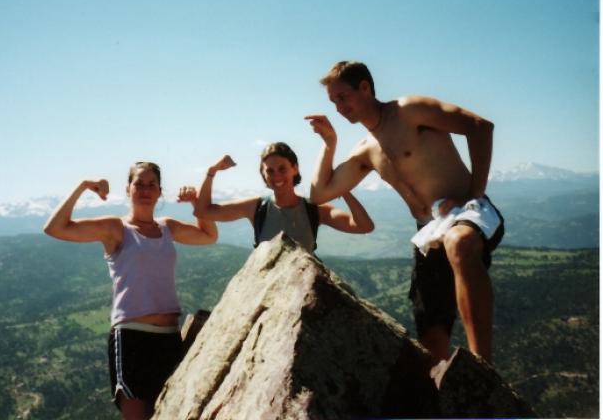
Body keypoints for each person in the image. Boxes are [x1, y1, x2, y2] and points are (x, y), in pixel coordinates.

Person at [306, 61, 504, 365]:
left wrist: (473, 195)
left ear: (365, 87)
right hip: (428, 230)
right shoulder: (365, 150)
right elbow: (319, 194)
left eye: (342, 97)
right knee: (430, 335)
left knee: (459, 244)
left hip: (469, 211)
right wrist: (329, 143)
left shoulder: (410, 110)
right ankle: (445, 397)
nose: (339, 107)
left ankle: (484, 368)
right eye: (333, 102)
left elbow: (480, 127)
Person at [43, 162, 217, 420]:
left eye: (151, 185)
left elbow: (208, 235)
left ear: (159, 191)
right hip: (132, 339)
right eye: (139, 184)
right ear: (128, 189)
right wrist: (82, 186)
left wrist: (196, 204)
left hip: (169, 338)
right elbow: (55, 228)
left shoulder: (167, 227)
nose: (145, 190)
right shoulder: (117, 229)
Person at [193, 142, 374, 254]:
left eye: (282, 168)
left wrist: (342, 189)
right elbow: (203, 212)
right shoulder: (256, 207)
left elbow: (364, 226)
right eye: (269, 171)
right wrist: (211, 172)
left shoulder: (315, 210)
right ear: (263, 175)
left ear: (295, 168)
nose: (276, 176)